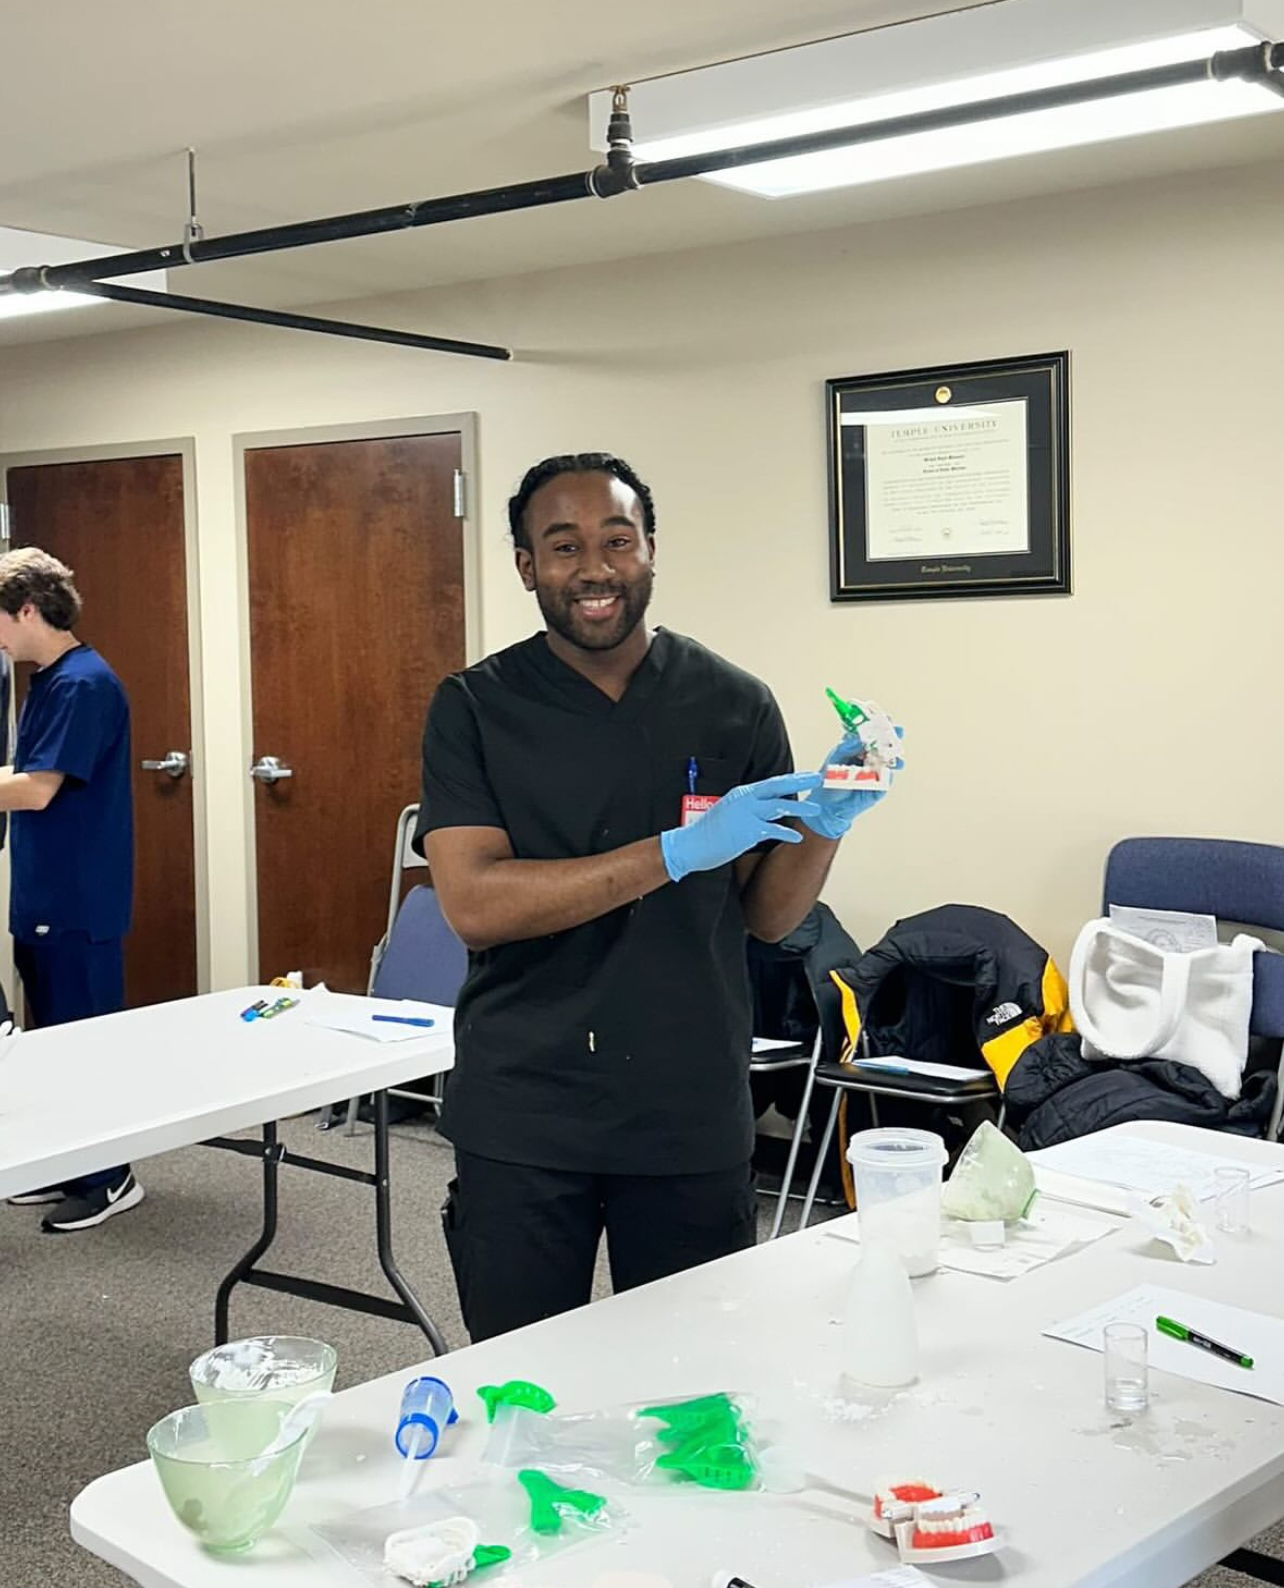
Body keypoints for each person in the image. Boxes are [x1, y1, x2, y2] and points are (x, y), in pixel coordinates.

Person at [417, 453, 891, 1341]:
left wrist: (829, 819)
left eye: (618, 540)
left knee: (693, 1374)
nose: (595, 569)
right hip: (527, 1105)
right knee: (520, 1379)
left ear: (651, 551)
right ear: (526, 565)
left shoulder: (733, 703)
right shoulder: (475, 707)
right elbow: (476, 906)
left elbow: (769, 917)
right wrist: (673, 853)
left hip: (688, 1106)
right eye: (564, 546)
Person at [0, 548, 141, 1232]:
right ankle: (67, 1162)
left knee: (86, 1044)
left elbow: (35, 789)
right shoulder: (49, 681)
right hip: (42, 894)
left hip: (79, 898)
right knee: (51, 1041)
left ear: (27, 610)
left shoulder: (85, 685)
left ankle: (110, 1177)